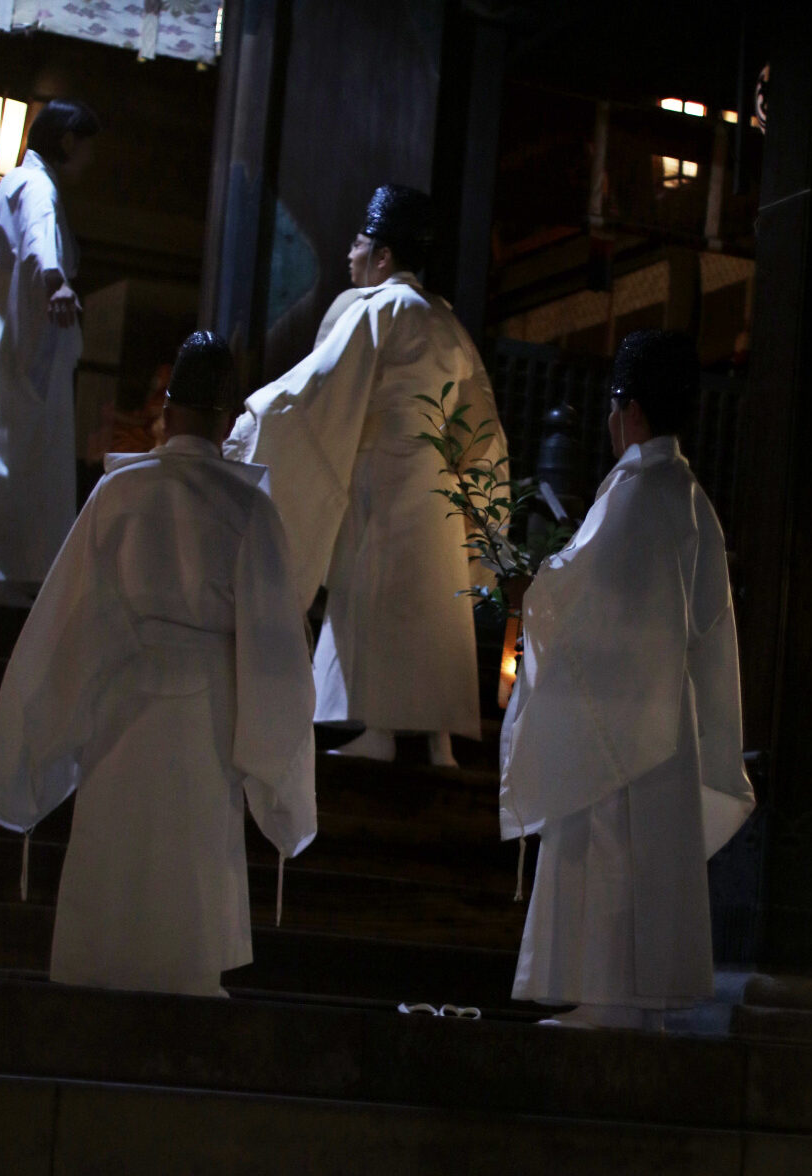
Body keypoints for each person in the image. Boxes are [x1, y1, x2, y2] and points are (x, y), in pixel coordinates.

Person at [0, 333, 317, 995]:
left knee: (116, 832)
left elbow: (70, 616)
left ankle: (99, 968)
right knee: (190, 845)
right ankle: (180, 977)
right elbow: (275, 650)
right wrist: (277, 770)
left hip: (121, 694)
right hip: (208, 703)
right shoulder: (247, 509)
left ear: (168, 409)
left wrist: (54, 716)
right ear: (226, 420)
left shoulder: (119, 493)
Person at [499, 330, 754, 1029]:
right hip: (663, 718)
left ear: (628, 410)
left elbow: (586, 597)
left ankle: (606, 999)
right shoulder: (688, 497)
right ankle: (624, 1001)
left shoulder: (639, 491)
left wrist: (539, 583)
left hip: (617, 713)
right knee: (639, 862)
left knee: (610, 851)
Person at [225, 184, 507, 768]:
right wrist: (483, 503)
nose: (350, 256)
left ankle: (376, 728)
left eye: (358, 244)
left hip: (384, 475)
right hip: (439, 483)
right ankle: (438, 741)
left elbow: (316, 384)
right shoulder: (448, 324)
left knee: (373, 596)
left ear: (382, 256)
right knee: (431, 608)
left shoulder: (380, 308)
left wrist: (255, 417)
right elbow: (481, 424)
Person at [0, 99, 99, 605]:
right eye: (88, 147)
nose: (91, 161)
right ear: (69, 141)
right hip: (20, 328)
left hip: (9, 324)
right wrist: (55, 284)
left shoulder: (22, 181)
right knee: (12, 454)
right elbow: (37, 243)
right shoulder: (37, 185)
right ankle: (5, 573)